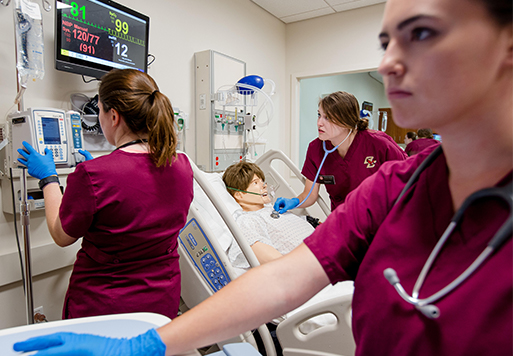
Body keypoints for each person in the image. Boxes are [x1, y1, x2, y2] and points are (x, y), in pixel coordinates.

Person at [13, 0, 512, 354]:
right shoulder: (397, 187)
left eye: (421, 33)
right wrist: (153, 343)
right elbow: (282, 278)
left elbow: (63, 233)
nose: (387, 64)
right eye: (385, 41)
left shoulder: (383, 156)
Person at [16, 69, 193, 320]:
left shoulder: (94, 175)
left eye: (99, 110)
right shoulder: (181, 165)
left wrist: (48, 178)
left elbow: (61, 234)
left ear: (113, 116)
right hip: (161, 301)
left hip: (108, 307)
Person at [274, 91, 407, 214]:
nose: (319, 123)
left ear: (346, 120)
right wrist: (294, 202)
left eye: (328, 118)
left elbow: (408, 180)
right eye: (319, 115)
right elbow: (309, 195)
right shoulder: (316, 149)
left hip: (380, 217)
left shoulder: (378, 143)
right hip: (343, 220)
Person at [222, 161, 314, 267]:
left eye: (262, 181)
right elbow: (279, 263)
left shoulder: (273, 209)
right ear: (239, 195)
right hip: (314, 264)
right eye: (256, 183)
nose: (264, 185)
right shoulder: (247, 221)